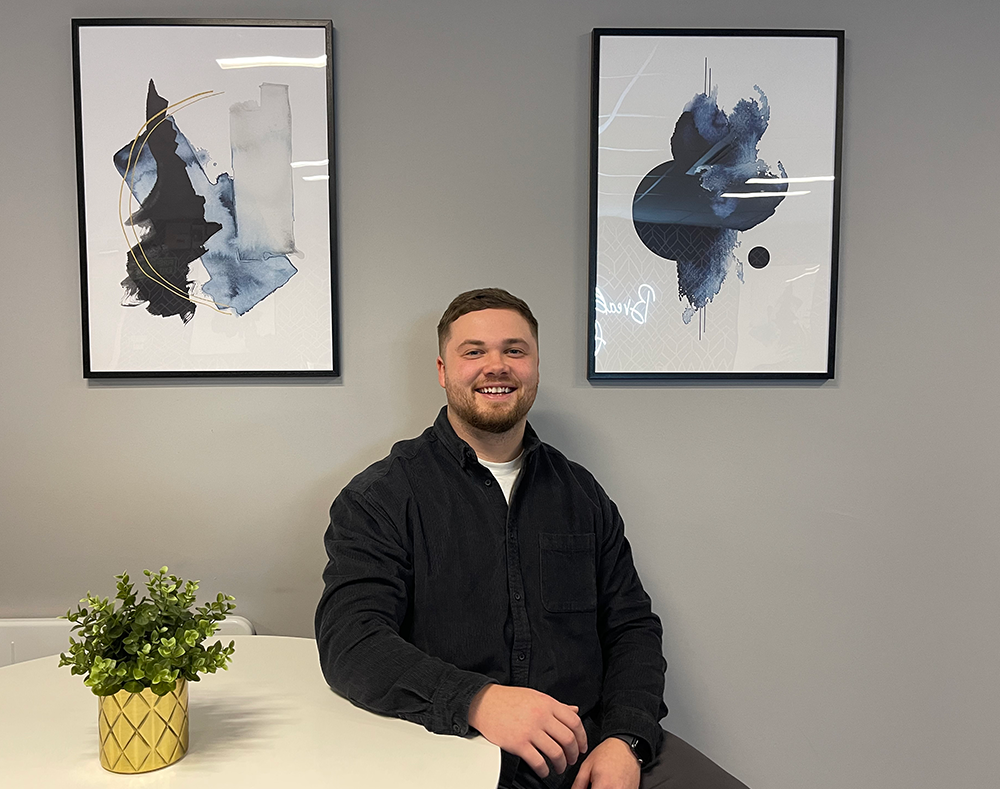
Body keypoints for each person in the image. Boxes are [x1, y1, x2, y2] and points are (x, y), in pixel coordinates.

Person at [315, 288, 749, 789]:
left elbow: (631, 628)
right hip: (456, 750)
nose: (496, 366)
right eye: (473, 351)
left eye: (514, 350)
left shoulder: (580, 493)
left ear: (535, 366)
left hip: (591, 748)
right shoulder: (381, 497)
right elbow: (351, 642)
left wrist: (625, 739)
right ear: (442, 371)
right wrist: (478, 700)